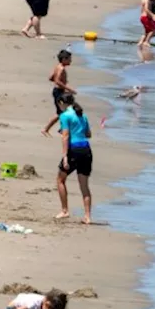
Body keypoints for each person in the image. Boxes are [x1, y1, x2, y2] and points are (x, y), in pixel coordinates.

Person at [54, 92, 93, 224]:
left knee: (60, 180)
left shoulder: (65, 115)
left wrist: (65, 157)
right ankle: (87, 217)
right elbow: (88, 134)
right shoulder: (83, 115)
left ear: (61, 103)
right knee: (84, 185)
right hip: (86, 150)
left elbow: (65, 137)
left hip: (74, 150)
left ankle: (65, 210)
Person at [43, 50, 75, 134]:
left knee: (63, 111)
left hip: (57, 91)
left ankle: (54, 129)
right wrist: (68, 88)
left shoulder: (58, 66)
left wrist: (62, 80)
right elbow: (57, 81)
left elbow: (51, 78)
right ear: (64, 59)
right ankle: (47, 129)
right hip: (59, 92)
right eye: (69, 59)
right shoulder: (61, 69)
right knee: (62, 112)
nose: (70, 61)